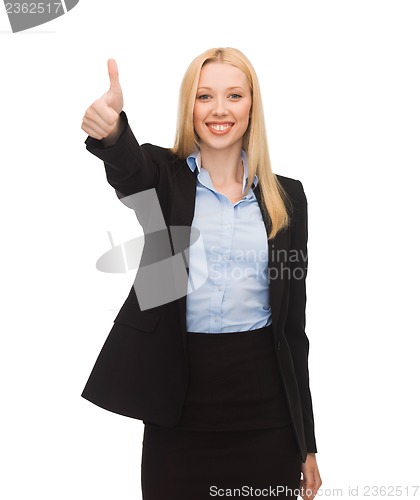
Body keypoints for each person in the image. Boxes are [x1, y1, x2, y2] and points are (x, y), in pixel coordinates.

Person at [81, 47, 322, 500]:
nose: (219, 110)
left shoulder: (287, 197)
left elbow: (293, 330)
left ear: (252, 106)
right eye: (204, 96)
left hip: (265, 414)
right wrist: (113, 131)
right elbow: (128, 170)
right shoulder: (164, 179)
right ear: (189, 106)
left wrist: (307, 443)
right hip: (178, 404)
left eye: (234, 95)